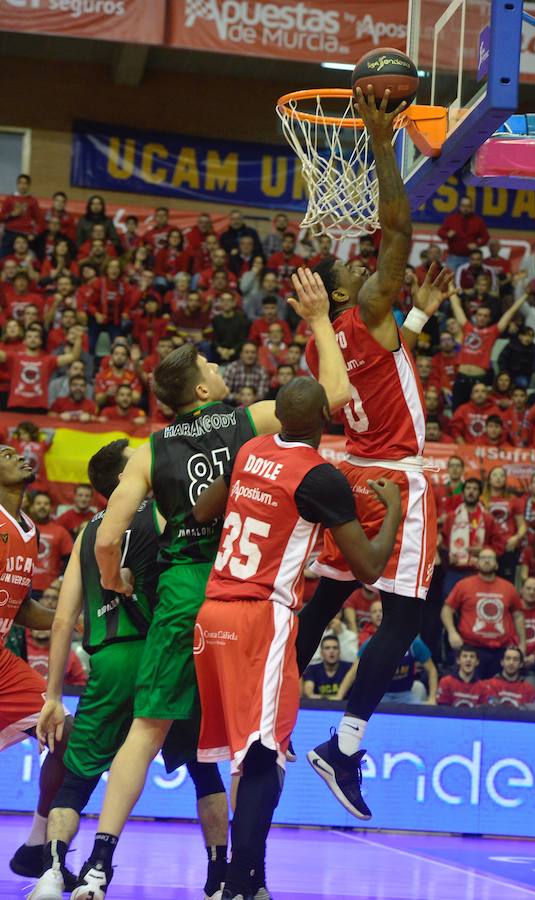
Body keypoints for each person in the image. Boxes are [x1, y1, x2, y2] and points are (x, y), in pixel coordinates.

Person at [71, 268, 350, 899]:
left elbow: (109, 537)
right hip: (240, 591)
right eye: (212, 363)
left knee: (148, 730)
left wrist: (117, 585)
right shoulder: (245, 421)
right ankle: (240, 874)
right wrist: (316, 321)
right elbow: (333, 390)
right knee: (249, 745)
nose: (222, 366)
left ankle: (98, 866)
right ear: (203, 385)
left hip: (179, 591)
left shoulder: (148, 449)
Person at [297, 85, 452, 820]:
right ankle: (345, 745)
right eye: (350, 272)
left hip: (351, 468)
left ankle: (269, 708)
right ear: (344, 294)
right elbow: (397, 225)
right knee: (405, 619)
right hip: (394, 477)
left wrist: (420, 311)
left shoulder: (327, 340)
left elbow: (395, 361)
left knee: (327, 597)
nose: (360, 267)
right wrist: (381, 138)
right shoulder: (368, 309)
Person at [192, 376, 401, 895]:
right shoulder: (320, 476)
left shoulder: (250, 447)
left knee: (250, 754)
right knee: (264, 757)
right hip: (260, 617)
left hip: (212, 613)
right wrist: (393, 510)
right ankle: (241, 884)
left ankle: (250, 879)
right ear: (323, 422)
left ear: (279, 417)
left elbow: (203, 511)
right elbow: (370, 568)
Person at [26, 439, 162, 900]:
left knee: (78, 779)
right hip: (157, 655)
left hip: (105, 661)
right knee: (203, 767)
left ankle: (52, 873)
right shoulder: (161, 514)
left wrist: (53, 696)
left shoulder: (86, 533)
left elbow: (63, 620)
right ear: (125, 478)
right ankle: (223, 876)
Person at [0, 446, 76, 888]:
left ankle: (35, 846)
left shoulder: (27, 529)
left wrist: (72, 621)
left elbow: (22, 605)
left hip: (4, 666)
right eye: (7, 453)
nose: (20, 456)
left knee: (67, 735)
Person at [441, 548, 525, 678]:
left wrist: (522, 643)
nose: (486, 561)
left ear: (496, 564)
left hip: (501, 650)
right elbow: (446, 610)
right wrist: (452, 632)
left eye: (490, 558)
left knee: (496, 693)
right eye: (483, 558)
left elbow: (518, 616)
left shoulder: (509, 587)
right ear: (477, 563)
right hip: (472, 649)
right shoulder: (463, 585)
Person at [448, 287, 527, 409]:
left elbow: (510, 312)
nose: (482, 317)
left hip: (479, 380)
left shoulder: (492, 332)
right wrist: (449, 286)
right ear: (475, 316)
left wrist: (525, 295)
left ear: (489, 319)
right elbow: (456, 306)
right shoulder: (467, 327)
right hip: (461, 379)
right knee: (456, 412)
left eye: (485, 316)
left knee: (479, 412)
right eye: (479, 315)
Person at [440, 479, 504, 596]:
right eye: (468, 488)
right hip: (454, 571)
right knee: (449, 607)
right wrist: (447, 558)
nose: (471, 492)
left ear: (479, 494)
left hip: (479, 572)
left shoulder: (487, 519)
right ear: (463, 492)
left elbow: (499, 547)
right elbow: (443, 545)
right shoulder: (452, 517)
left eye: (475, 489)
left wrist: (484, 550)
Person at [0, 324, 81, 414]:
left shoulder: (48, 359)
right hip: (16, 405)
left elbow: (74, 357)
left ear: (40, 341)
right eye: (29, 337)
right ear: (24, 341)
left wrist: (78, 339)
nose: (33, 339)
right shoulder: (14, 357)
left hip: (39, 407)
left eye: (36, 337)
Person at [336, 635, 438, 705]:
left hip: (405, 694)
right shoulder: (371, 643)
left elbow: (432, 670)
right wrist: (339, 696)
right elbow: (353, 672)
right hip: (378, 695)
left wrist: (432, 698)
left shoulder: (414, 644)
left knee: (420, 715)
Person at [481, 465, 526, 581]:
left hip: (508, 547)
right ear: (489, 479)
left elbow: (522, 526)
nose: (498, 478)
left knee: (506, 581)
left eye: (502, 475)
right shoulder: (481, 500)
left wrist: (516, 538)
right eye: (495, 475)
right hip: (488, 547)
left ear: (505, 480)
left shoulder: (513, 499)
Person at [29, 492, 73, 598]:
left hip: (50, 591)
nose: (42, 506)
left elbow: (70, 560)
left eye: (46, 503)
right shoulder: (25, 528)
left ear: (51, 508)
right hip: (25, 586)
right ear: (32, 507)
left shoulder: (61, 532)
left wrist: (61, 579)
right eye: (38, 503)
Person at [437, 196, 489, 272]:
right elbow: (440, 232)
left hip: (470, 259)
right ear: (459, 206)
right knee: (449, 281)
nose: (465, 208)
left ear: (471, 207)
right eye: (463, 206)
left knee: (468, 282)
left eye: (468, 206)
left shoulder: (478, 221)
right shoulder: (451, 219)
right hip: (453, 257)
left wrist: (477, 244)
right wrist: (447, 234)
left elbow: (486, 237)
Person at [303, 635, 353, 699]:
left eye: (335, 648)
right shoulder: (312, 670)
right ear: (321, 653)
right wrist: (334, 698)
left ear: (339, 652)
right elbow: (309, 694)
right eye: (327, 648)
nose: (331, 651)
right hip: (319, 707)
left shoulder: (350, 668)